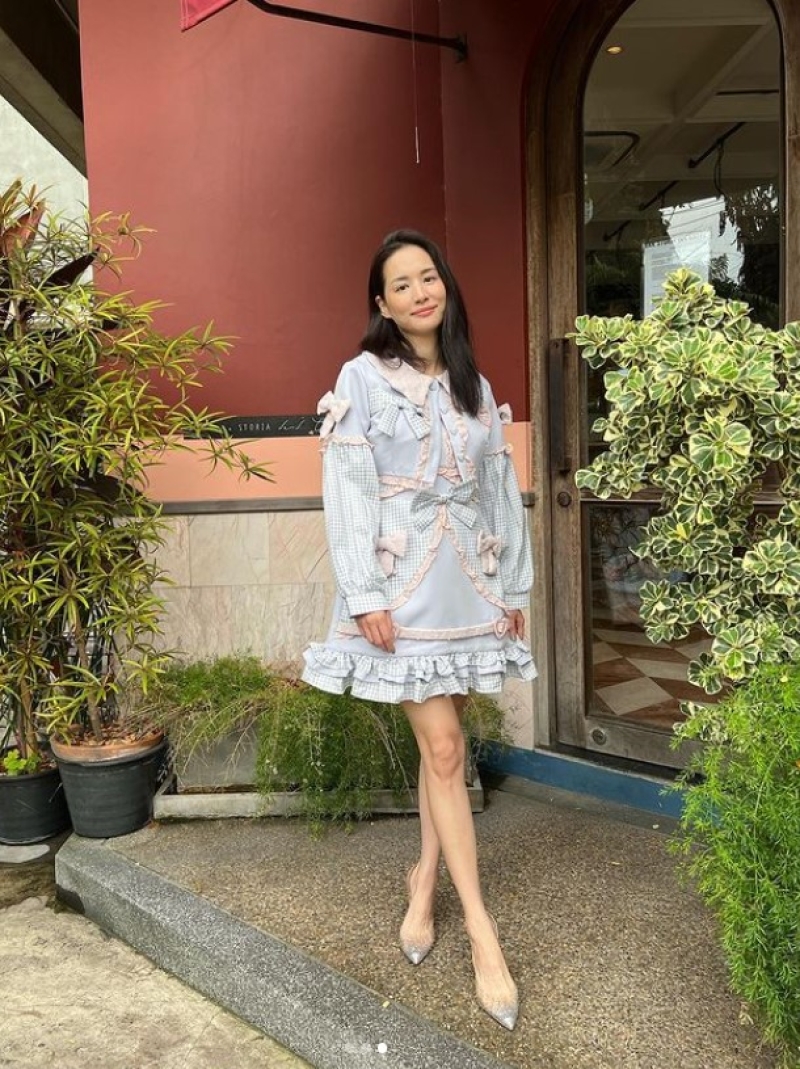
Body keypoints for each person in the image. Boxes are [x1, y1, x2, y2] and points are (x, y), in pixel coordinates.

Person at [302, 229, 536, 1031]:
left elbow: (498, 489)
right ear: (383, 303)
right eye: (400, 284)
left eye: (427, 276)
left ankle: (424, 878)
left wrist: (512, 587)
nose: (419, 292)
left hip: (468, 585)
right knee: (443, 750)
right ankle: (483, 934)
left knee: (447, 750)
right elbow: (348, 486)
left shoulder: (474, 383)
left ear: (445, 285)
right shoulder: (363, 377)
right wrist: (363, 592)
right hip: (400, 589)